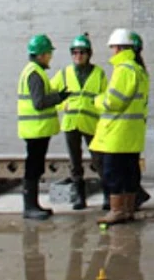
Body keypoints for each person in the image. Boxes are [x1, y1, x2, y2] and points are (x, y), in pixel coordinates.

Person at [91, 28, 148, 226]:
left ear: (118, 48)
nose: (111, 51)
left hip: (117, 133)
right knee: (130, 170)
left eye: (113, 47)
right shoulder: (138, 70)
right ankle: (129, 209)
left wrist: (97, 101)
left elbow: (114, 102)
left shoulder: (124, 69)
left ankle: (117, 211)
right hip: (132, 132)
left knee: (112, 172)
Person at [18, 33, 70, 221]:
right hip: (35, 130)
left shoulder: (33, 71)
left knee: (36, 166)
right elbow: (39, 102)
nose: (50, 57)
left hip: (37, 129)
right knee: (33, 167)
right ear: (40, 55)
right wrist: (60, 97)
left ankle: (33, 204)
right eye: (48, 53)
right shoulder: (34, 73)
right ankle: (30, 207)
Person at [52, 34, 107, 210]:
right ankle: (80, 198)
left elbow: (105, 97)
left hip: (91, 123)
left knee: (99, 161)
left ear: (89, 54)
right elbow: (51, 94)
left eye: (82, 52)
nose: (78, 56)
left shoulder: (98, 73)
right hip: (71, 123)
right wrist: (62, 105)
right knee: (75, 162)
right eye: (75, 52)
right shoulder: (64, 73)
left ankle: (107, 196)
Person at [130, 34, 152, 211]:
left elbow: (116, 100)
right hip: (136, 123)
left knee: (128, 164)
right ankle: (137, 194)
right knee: (132, 162)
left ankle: (135, 195)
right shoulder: (141, 70)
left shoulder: (130, 70)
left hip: (128, 124)